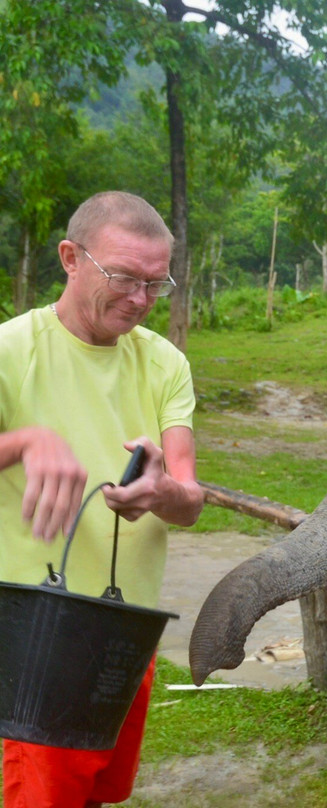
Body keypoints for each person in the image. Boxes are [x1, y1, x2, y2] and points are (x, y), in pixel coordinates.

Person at [0, 191, 204, 808]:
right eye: (122, 277)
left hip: (124, 629)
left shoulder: (164, 363)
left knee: (97, 795)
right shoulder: (11, 351)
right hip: (38, 635)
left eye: (155, 283)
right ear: (70, 257)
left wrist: (163, 491)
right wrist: (26, 442)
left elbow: (190, 498)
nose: (140, 300)